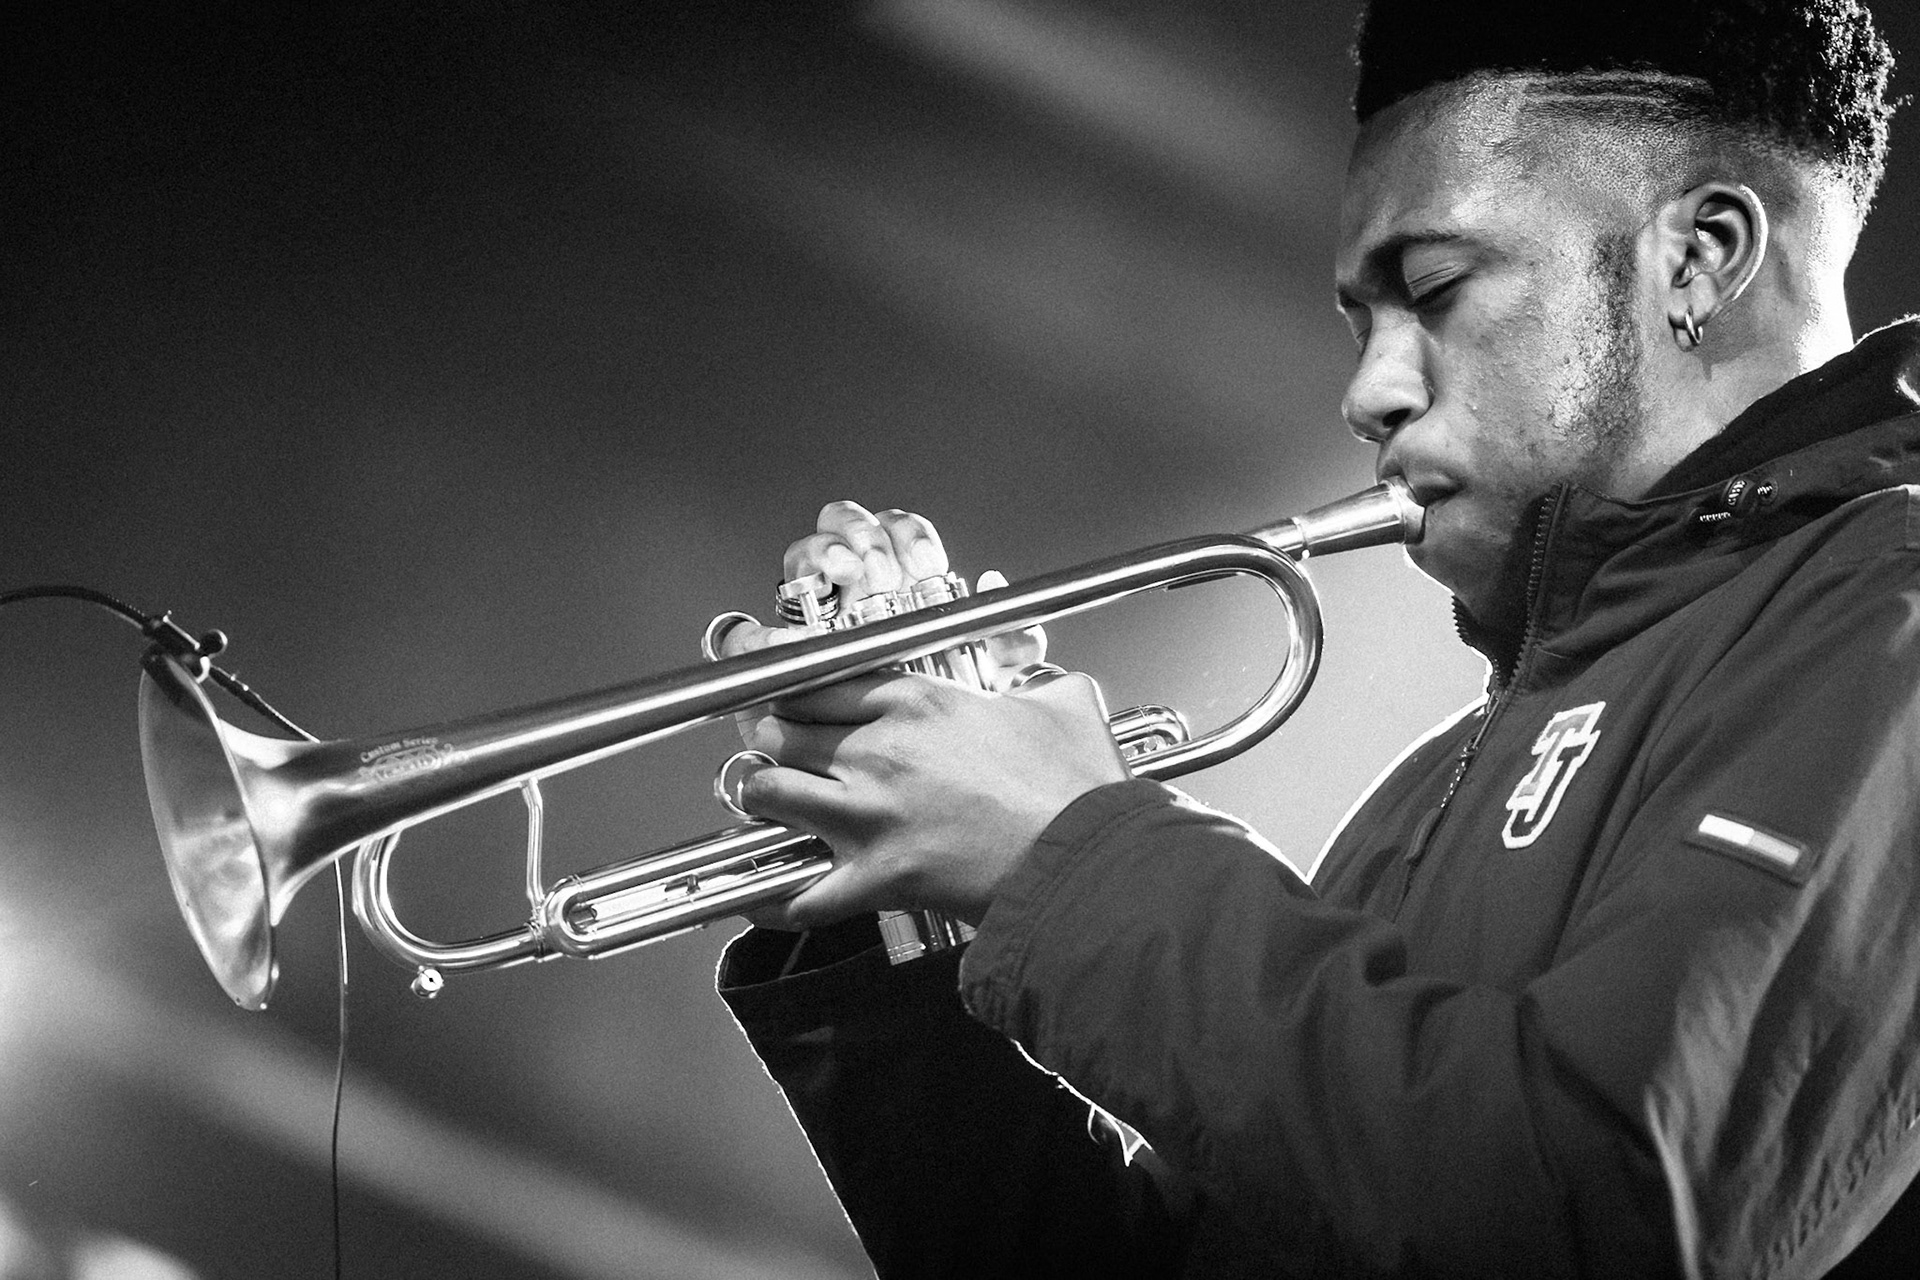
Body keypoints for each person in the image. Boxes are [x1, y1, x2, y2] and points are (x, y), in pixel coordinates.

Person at [712, 2, 1918, 1275]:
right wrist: (893, 911)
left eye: (1436, 290)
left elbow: (1606, 1214)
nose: (1370, 391)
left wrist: (1065, 860)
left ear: (1702, 253)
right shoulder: (1437, 778)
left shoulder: (1888, 611)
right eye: (1361, 324)